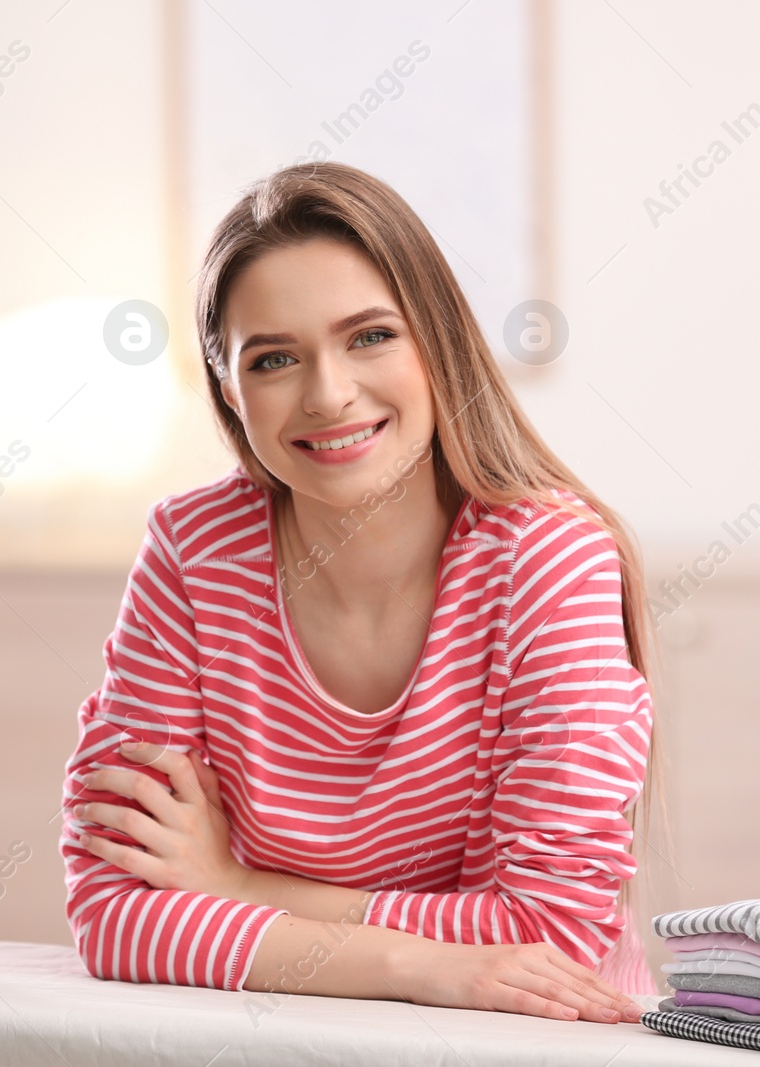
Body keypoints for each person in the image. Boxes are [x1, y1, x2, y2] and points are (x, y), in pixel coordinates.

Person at [60, 161, 661, 1025]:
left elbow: (548, 935)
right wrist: (423, 965)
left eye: (371, 336)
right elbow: (116, 910)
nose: (329, 393)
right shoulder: (192, 554)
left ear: (438, 341)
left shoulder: (548, 560)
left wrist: (238, 886)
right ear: (231, 392)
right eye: (273, 358)